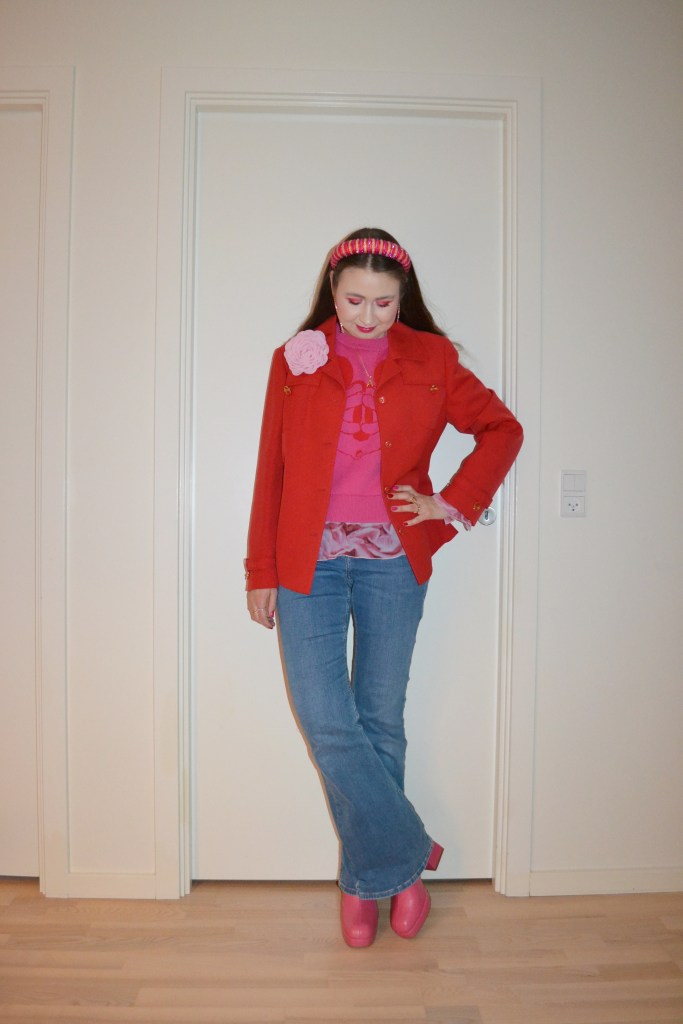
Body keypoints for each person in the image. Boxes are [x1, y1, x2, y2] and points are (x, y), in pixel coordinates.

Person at [244, 228, 523, 947]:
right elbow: (271, 468)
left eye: (383, 303)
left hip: (392, 559)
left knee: (379, 718)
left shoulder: (433, 358)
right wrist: (260, 570)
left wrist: (450, 503)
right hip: (305, 560)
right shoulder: (296, 358)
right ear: (332, 293)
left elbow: (501, 429)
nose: (367, 316)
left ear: (404, 300)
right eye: (353, 300)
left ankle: (367, 882)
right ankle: (406, 854)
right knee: (326, 720)